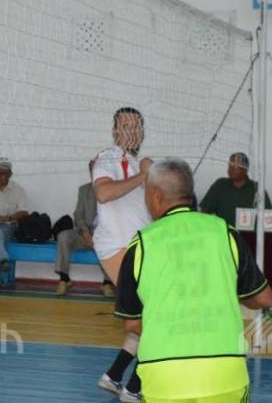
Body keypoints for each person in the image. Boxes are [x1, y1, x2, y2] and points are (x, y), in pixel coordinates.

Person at [115, 158, 272, 403]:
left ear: (155, 196)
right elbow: (264, 298)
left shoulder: (140, 245)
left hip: (164, 376)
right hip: (224, 372)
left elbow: (132, 325)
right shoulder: (224, 232)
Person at [94, 107, 153, 403]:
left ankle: (114, 376)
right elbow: (103, 194)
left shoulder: (138, 164)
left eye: (136, 126)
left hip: (139, 250)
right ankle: (134, 388)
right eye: (125, 126)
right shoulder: (108, 157)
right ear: (115, 131)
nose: (131, 131)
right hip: (118, 248)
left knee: (142, 322)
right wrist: (143, 175)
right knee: (156, 319)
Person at [55, 160, 113, 296]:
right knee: (63, 236)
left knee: (110, 242)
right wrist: (86, 233)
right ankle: (64, 279)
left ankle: (107, 283)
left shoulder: (113, 190)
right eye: (94, 170)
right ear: (91, 172)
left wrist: (97, 235)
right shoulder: (84, 190)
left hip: (105, 235)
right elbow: (78, 215)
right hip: (85, 233)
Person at [199, 152, 272, 227]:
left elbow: (269, 216)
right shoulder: (220, 185)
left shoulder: (257, 188)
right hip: (224, 232)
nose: (231, 169)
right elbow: (204, 211)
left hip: (249, 233)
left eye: (235, 166)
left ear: (245, 169)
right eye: (230, 165)